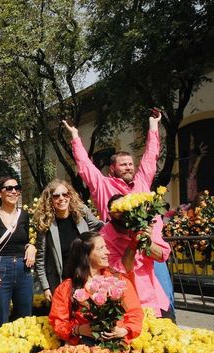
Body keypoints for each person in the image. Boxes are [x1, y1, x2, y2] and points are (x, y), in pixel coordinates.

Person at [62, 111, 176, 319]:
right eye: (123, 164)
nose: (129, 167)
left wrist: (153, 127)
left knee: (164, 303)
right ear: (112, 169)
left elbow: (150, 158)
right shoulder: (103, 185)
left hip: (150, 254)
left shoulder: (142, 183)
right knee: (127, 307)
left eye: (131, 164)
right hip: (120, 257)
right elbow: (85, 167)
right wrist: (76, 138)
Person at [48, 232, 143, 346]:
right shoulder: (66, 288)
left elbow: (135, 313)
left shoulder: (118, 282)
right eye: (101, 248)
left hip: (117, 351)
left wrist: (124, 330)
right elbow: (58, 323)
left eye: (106, 247)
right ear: (86, 255)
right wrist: (79, 329)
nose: (107, 252)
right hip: (82, 350)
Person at [0, 176, 36, 335]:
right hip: (0, 270)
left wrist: (31, 246)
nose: (14, 191)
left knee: (24, 319)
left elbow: (24, 241)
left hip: (23, 270)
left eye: (17, 188)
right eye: (9, 188)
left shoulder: (23, 215)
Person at [32, 179, 103, 302]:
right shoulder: (46, 223)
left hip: (86, 276)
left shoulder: (82, 213)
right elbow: (41, 259)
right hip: (60, 280)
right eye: (56, 196)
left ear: (70, 196)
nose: (61, 198)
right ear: (50, 200)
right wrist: (46, 287)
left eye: (65, 194)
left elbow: (100, 228)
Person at [102, 194, 171, 315]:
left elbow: (162, 255)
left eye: (126, 207)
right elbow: (124, 268)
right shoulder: (105, 236)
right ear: (111, 214)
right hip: (128, 301)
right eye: (118, 210)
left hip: (156, 297)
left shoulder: (144, 225)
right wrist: (134, 243)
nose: (123, 212)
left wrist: (146, 240)